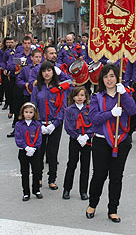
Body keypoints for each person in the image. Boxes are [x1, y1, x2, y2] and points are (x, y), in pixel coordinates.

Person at [85, 64, 136, 223]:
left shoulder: (123, 95)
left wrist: (125, 95)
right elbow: (93, 118)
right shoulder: (97, 97)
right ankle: (92, 204)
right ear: (102, 79)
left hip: (120, 140)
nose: (109, 79)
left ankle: (113, 209)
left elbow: (133, 111)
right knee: (99, 175)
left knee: (116, 177)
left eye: (112, 76)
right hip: (101, 140)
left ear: (118, 78)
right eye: (106, 76)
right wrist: (110, 113)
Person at [30, 61, 68, 191]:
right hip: (39, 125)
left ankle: (52, 179)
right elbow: (32, 107)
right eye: (44, 71)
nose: (47, 73)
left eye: (49, 70)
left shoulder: (59, 88)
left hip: (55, 124)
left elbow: (63, 108)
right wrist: (37, 123)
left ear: (53, 72)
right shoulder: (37, 88)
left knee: (52, 153)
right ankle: (38, 177)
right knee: (39, 153)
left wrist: (54, 124)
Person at [63, 86, 92, 201]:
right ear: (73, 97)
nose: (79, 98)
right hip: (75, 140)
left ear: (85, 97)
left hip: (87, 140)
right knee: (71, 164)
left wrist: (87, 136)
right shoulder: (69, 110)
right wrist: (77, 136)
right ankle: (67, 189)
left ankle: (83, 191)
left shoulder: (89, 109)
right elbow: (68, 126)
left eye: (82, 95)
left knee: (85, 166)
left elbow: (94, 123)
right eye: (77, 95)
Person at [14, 102, 43, 201]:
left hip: (35, 151)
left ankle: (36, 189)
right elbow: (18, 138)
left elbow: (39, 138)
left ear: (34, 113)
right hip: (24, 151)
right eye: (26, 112)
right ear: (22, 113)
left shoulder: (37, 124)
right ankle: (26, 192)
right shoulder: (18, 124)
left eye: (31, 112)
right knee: (24, 172)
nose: (28, 114)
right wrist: (26, 148)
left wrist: (34, 148)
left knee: (36, 171)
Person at [6, 36, 33, 137]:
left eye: (28, 43)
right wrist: (20, 64)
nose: (27, 45)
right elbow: (10, 66)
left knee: (31, 106)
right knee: (17, 106)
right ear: (22, 44)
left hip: (30, 84)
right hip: (18, 83)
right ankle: (16, 129)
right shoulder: (16, 55)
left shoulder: (34, 55)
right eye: (25, 43)